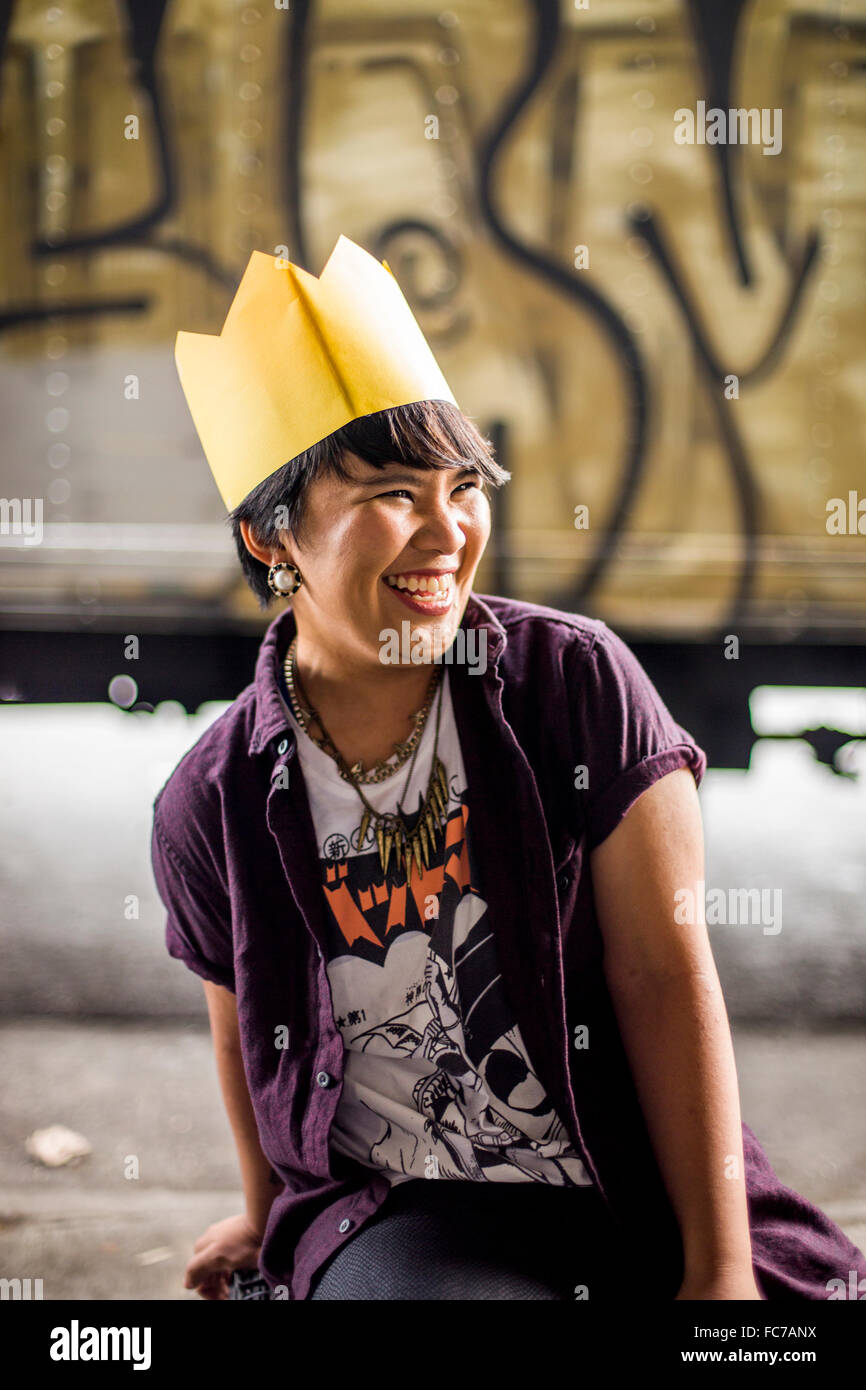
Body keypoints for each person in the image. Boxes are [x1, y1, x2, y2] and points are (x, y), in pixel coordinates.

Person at [152, 237, 866, 1301]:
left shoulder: (572, 682)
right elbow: (248, 1020)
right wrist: (266, 1218)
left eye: (463, 486)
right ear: (273, 538)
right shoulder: (210, 798)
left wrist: (719, 1277)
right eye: (392, 493)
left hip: (627, 1177)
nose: (447, 531)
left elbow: (666, 981)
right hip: (413, 1211)